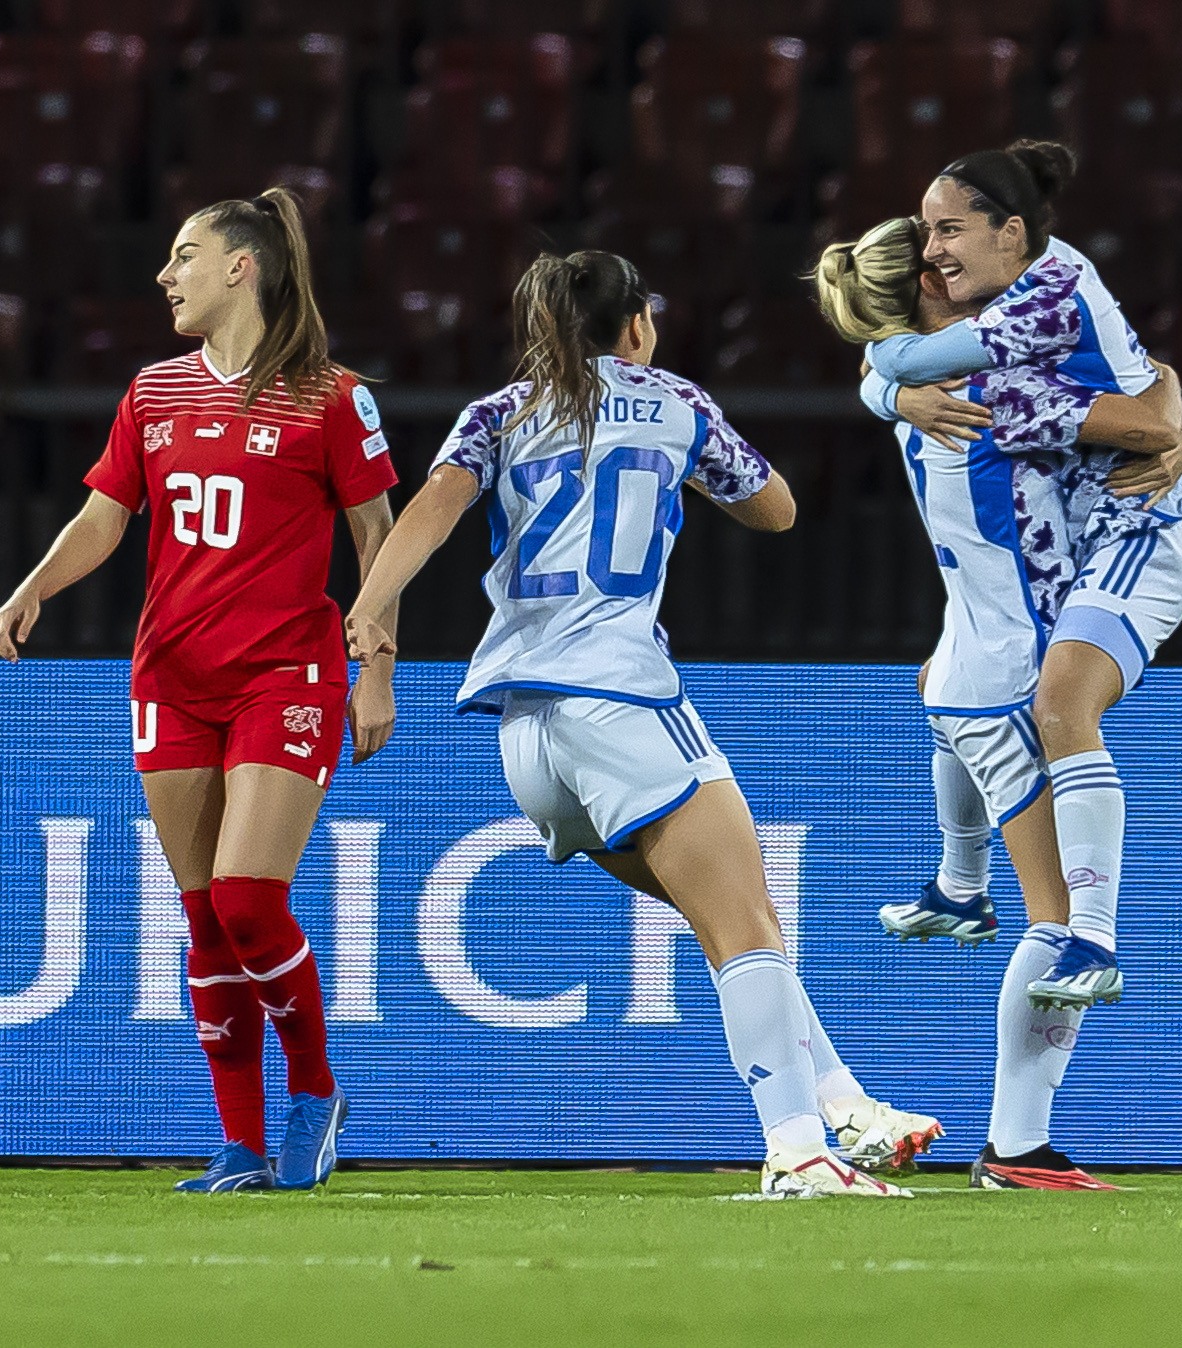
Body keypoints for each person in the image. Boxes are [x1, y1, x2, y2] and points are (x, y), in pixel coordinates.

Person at [341, 249, 934, 1196]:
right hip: (619, 697)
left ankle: (848, 1108)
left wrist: (371, 619)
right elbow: (776, 510)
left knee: (731, 919)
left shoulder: (497, 413)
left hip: (524, 733)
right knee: (746, 923)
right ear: (638, 326)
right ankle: (798, 1150)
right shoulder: (675, 403)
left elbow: (432, 510)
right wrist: (676, 468)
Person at [0, 187, 398, 1194]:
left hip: (285, 672)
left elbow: (378, 539)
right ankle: (241, 1142)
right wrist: (34, 584)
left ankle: (315, 1092)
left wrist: (376, 667)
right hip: (170, 675)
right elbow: (103, 517)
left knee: (251, 897)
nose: (164, 275)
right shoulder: (153, 392)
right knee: (205, 917)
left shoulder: (333, 396)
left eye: (184, 255)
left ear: (240, 268)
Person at [813, 197, 1182, 1190]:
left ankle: (955, 885)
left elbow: (877, 369)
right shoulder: (991, 395)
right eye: (948, 261)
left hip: (966, 672)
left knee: (1026, 898)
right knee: (1061, 917)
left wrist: (887, 394)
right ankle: (1018, 1148)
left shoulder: (920, 383)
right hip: (1005, 691)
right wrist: (1173, 440)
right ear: (940, 296)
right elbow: (1149, 407)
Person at [861, 143, 1182, 1017]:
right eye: (927, 238)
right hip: (1052, 567)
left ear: (1010, 233)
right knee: (938, 684)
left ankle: (1087, 933)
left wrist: (1172, 427)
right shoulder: (988, 343)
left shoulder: (998, 379)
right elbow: (883, 367)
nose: (936, 250)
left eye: (950, 230)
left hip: (1137, 530)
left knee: (1056, 707)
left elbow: (1148, 418)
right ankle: (963, 888)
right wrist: (889, 388)